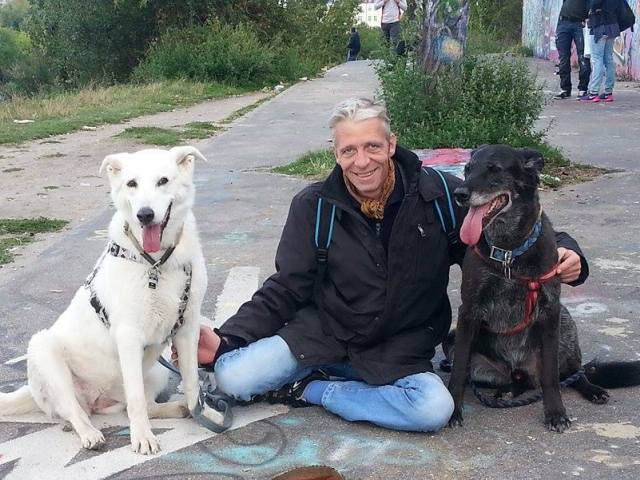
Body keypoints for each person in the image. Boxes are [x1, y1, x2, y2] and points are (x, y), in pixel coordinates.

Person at [178, 98, 589, 433]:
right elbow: (286, 287)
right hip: (322, 337)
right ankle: (314, 376)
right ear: (336, 154)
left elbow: (514, 234)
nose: (362, 161)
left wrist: (568, 250)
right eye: (349, 150)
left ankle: (311, 390)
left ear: (391, 145)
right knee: (232, 379)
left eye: (372, 146)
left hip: (399, 349)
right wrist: (229, 339)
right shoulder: (314, 206)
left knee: (431, 410)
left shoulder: (439, 197)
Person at [581, 0, 634, 102]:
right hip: (613, 26)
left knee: (597, 59)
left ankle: (593, 92)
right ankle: (608, 92)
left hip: (600, 26)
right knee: (608, 59)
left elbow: (593, 4)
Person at [553, 0, 591, 100]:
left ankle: (583, 89)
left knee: (583, 57)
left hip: (579, 23)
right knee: (563, 58)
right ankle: (565, 89)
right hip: (563, 22)